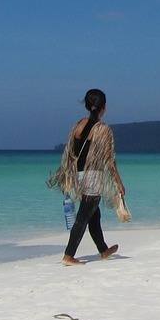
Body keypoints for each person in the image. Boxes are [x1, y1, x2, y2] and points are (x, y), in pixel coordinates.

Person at [48, 88, 127, 265]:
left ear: (87, 105)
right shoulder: (103, 130)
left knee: (94, 214)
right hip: (93, 177)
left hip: (79, 176)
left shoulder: (78, 125)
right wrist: (119, 183)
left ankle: (103, 249)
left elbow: (70, 153)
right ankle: (68, 255)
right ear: (103, 107)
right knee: (84, 216)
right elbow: (109, 159)